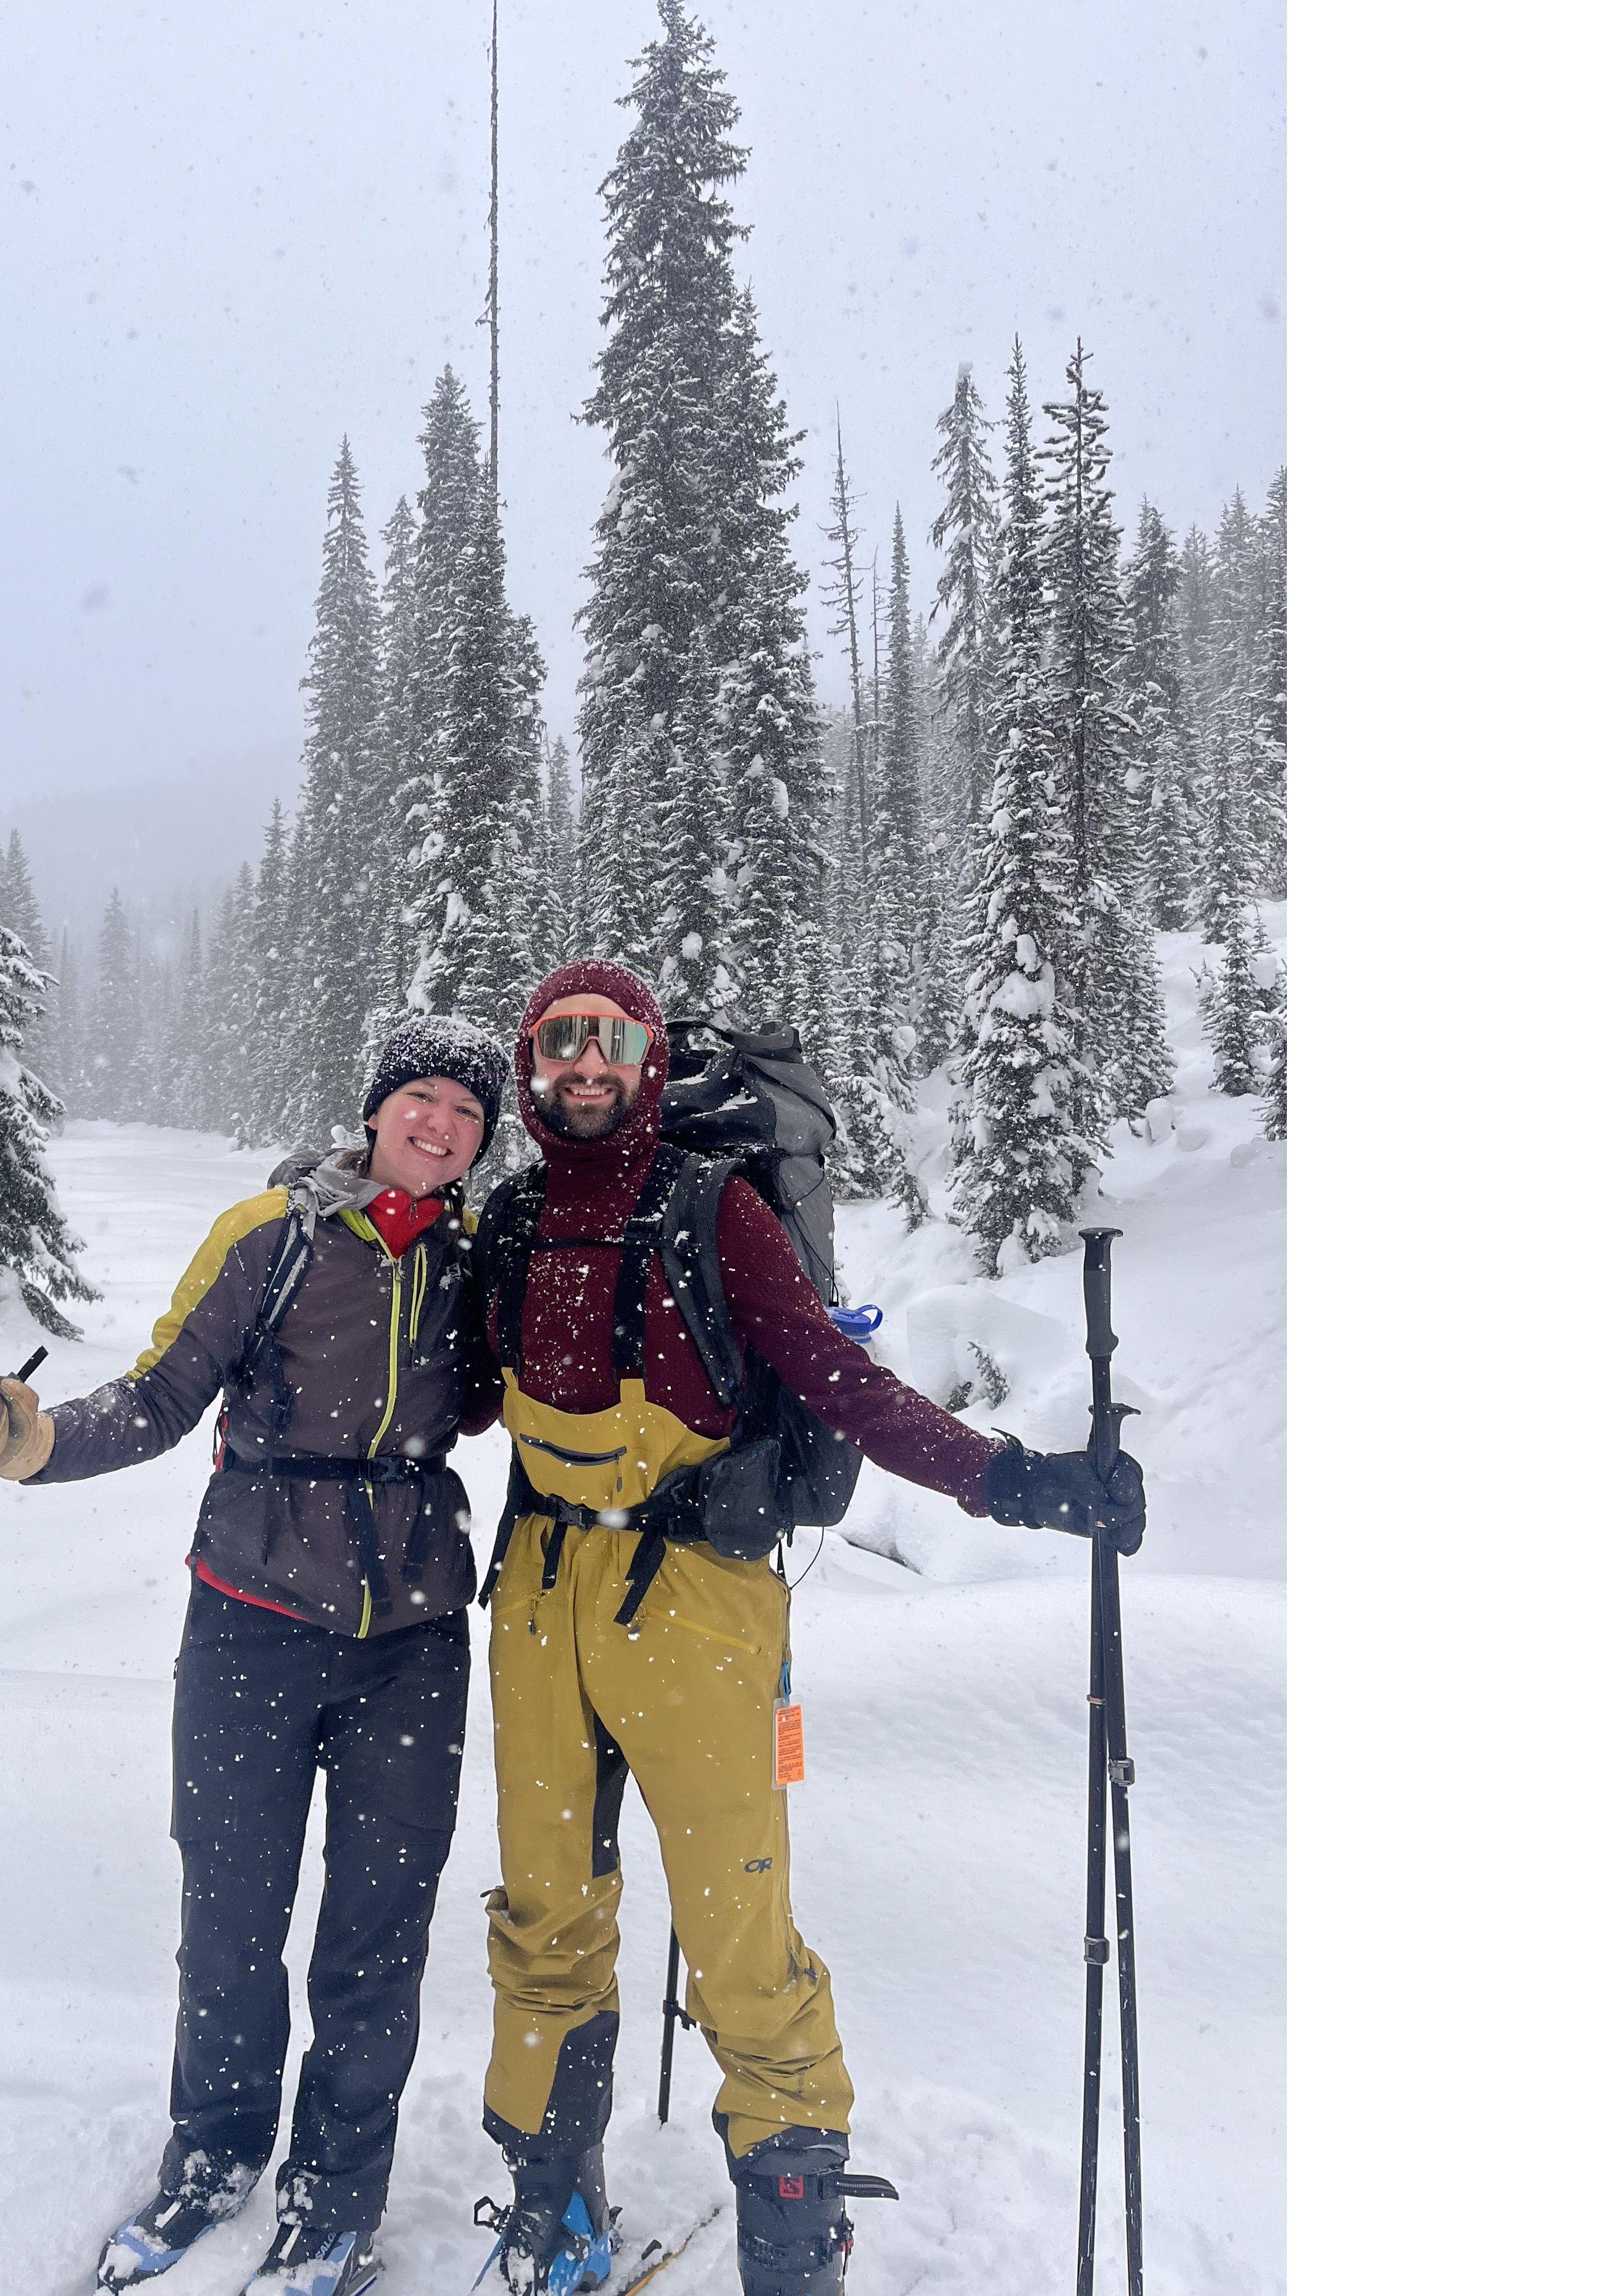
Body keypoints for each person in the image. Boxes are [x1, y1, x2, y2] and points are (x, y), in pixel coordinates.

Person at [468, 959, 1145, 2296]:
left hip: (697, 1604)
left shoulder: (711, 1210)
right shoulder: (511, 1216)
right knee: (543, 1915)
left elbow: (836, 1378)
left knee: (739, 1932)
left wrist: (1008, 1478)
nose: (585, 1068)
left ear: (648, 1062)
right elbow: (451, 1396)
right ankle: (553, 2212)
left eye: (610, 1044)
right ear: (530, 1066)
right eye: (560, 1045)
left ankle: (792, 2245)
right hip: (539, 1595)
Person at [0, 1013, 514, 2296]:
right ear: (376, 1112)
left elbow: (543, 1385)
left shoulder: (480, 1256)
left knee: (378, 1932)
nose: (442, 1126)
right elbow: (156, 1395)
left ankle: (336, 2196)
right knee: (233, 1912)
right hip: (252, 1611)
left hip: (412, 1635)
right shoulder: (273, 1238)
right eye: (423, 1100)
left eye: (469, 1115)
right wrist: (30, 1440)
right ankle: (211, 2158)